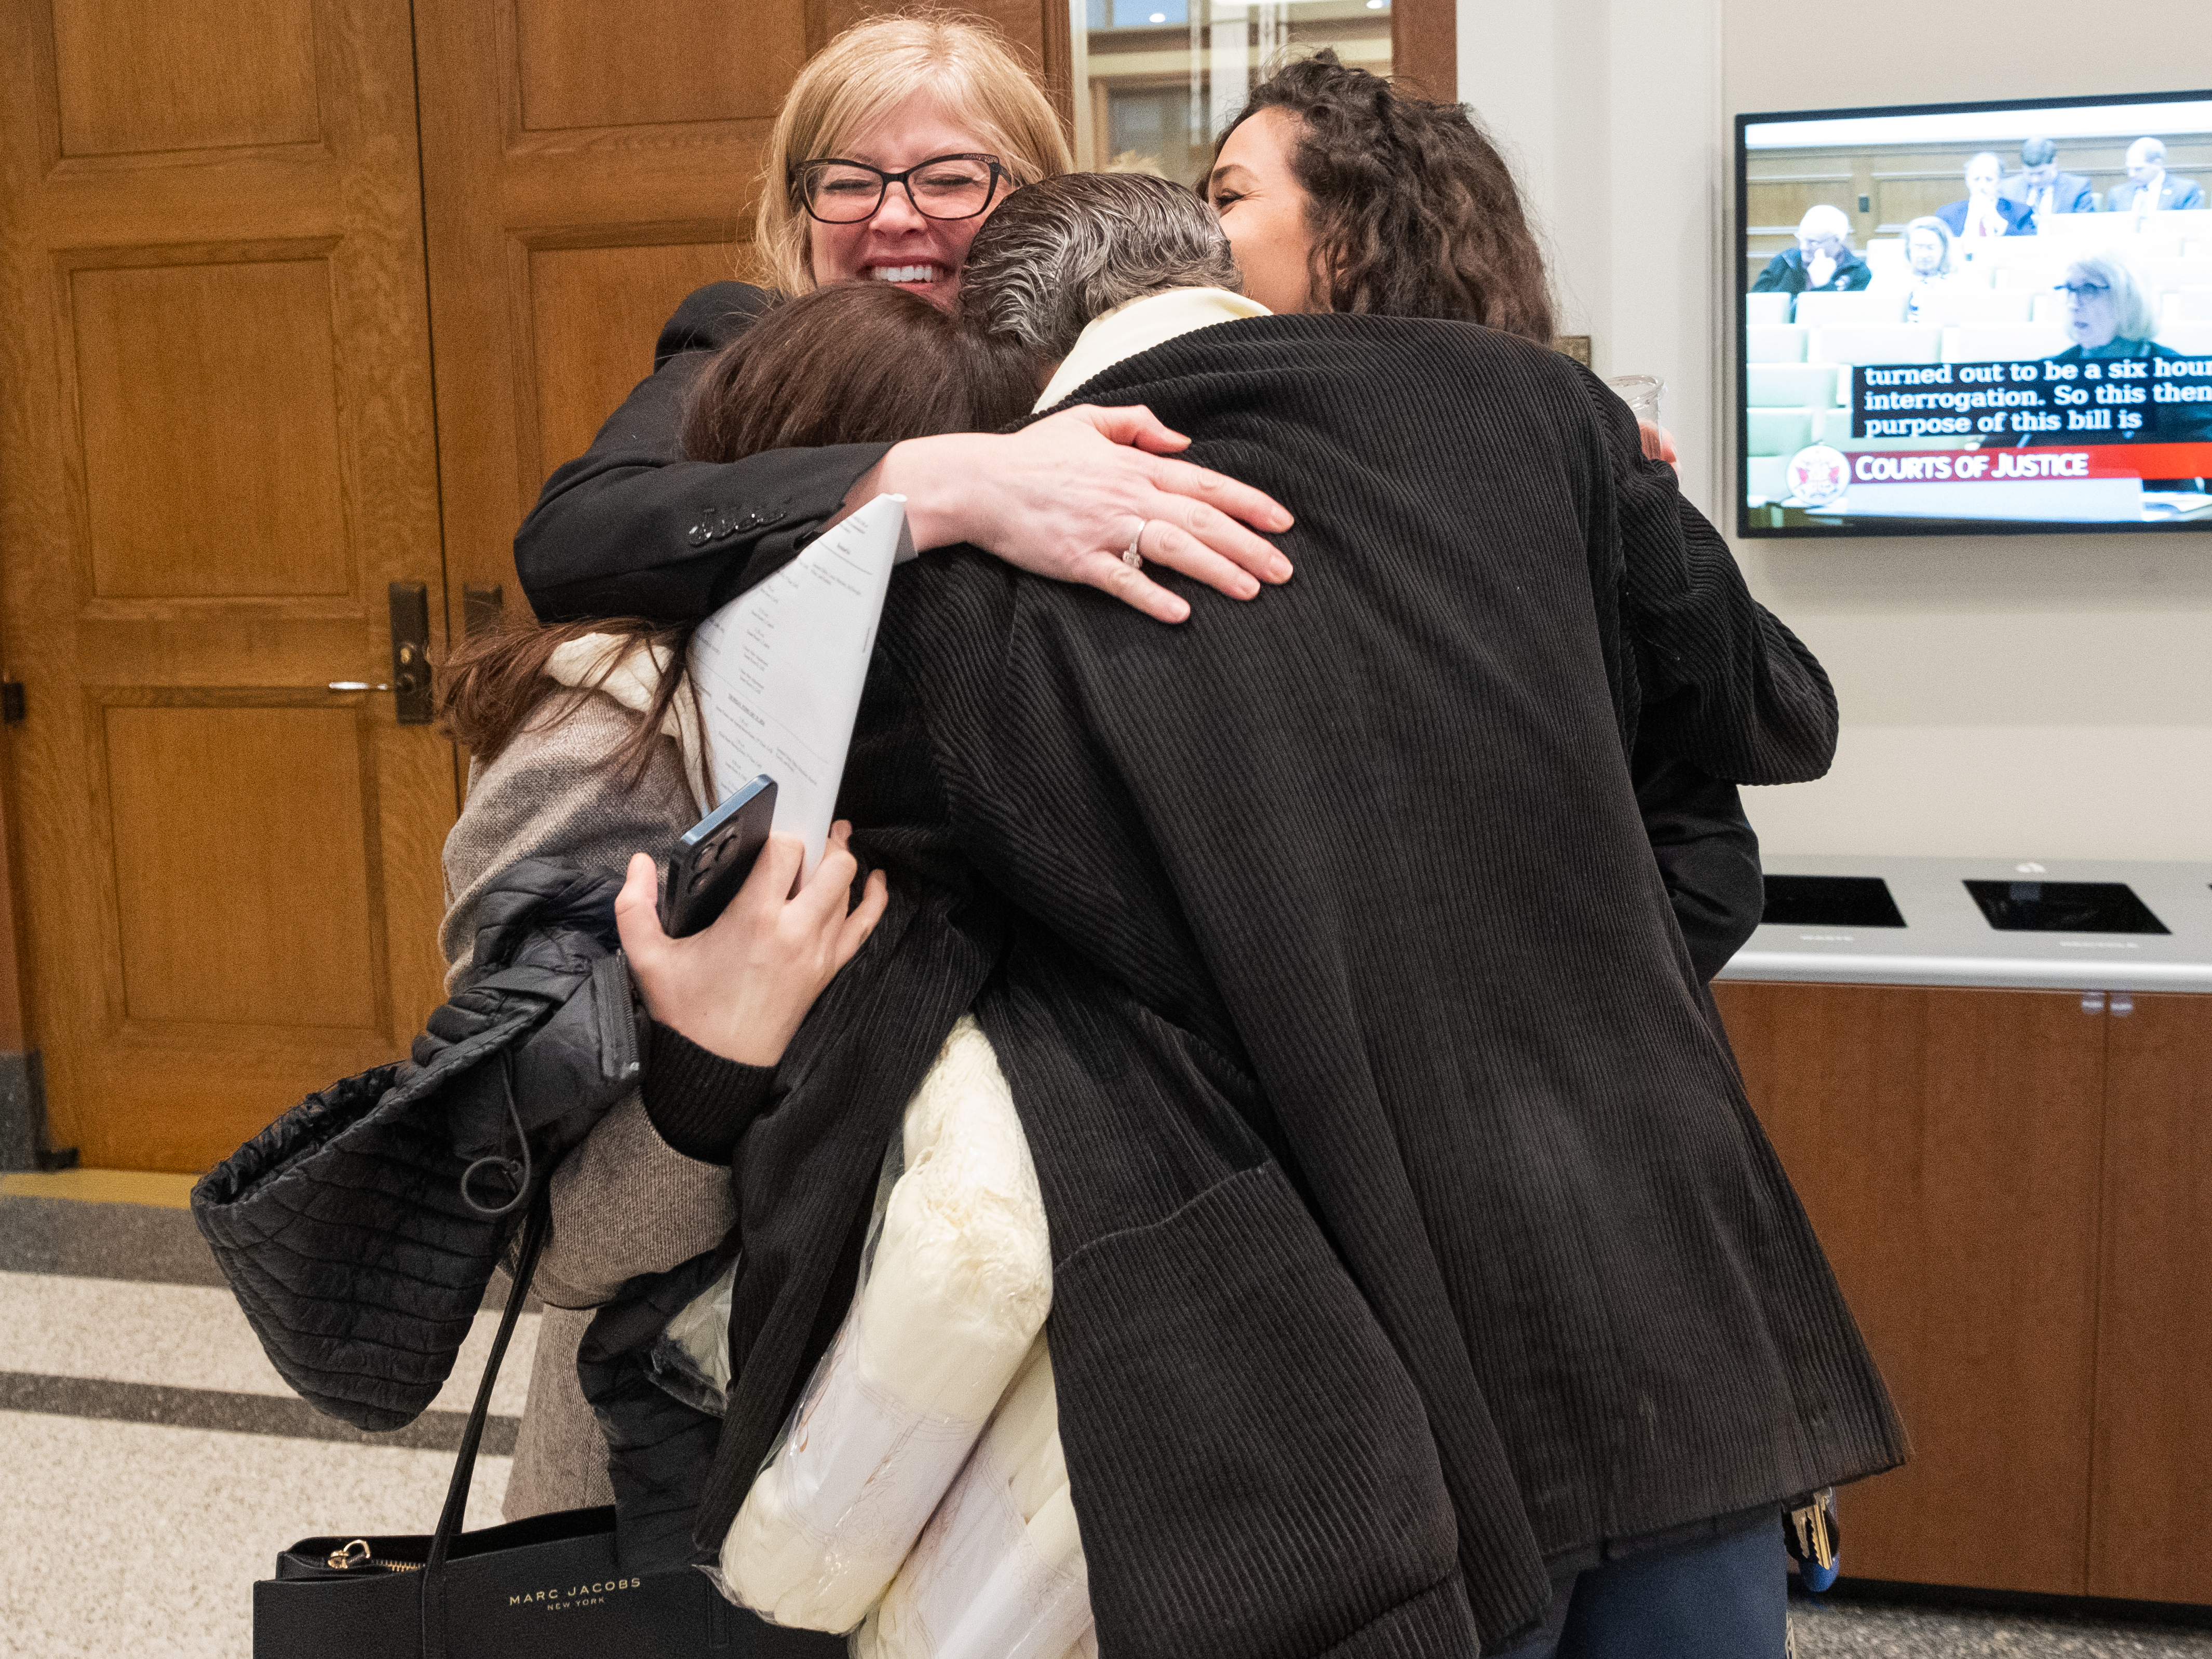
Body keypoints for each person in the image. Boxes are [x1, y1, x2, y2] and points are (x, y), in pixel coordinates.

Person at [433, 280, 1034, 1538]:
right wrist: (713, 1055)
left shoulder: (949, 716)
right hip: (662, 1471)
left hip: (893, 1456)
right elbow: (543, 1243)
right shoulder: (613, 739)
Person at [514, 12, 1294, 634]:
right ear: (799, 211)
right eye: (850, 182)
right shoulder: (740, 336)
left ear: (1039, 197)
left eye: (950, 179)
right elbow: (574, 542)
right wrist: (944, 481)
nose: (893, 217)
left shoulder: (1105, 350)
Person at [1750, 204, 1872, 295]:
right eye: (1801, 238)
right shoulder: (1786, 261)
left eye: (1813, 242)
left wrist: (1823, 284)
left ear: (1837, 240)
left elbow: (1846, 319)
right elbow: (1755, 304)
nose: (1803, 247)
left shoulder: (1857, 271)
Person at [1936, 151, 2036, 240]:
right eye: (1976, 179)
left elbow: (2031, 245)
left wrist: (1998, 222)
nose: (1982, 185)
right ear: (1967, 181)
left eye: (1989, 179)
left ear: (2000, 182)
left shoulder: (2021, 212)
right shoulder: (1947, 214)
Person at [2003, 137, 2098, 220]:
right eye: (2030, 174)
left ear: (2054, 163)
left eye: (2041, 173)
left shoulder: (2078, 188)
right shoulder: (2008, 188)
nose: (2035, 180)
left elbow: (2085, 226)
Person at [2107, 137, 2206, 214]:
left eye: (2138, 169)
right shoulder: (2117, 194)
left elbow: (2192, 228)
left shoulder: (2185, 190)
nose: (2132, 174)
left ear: (2157, 164)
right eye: (2129, 169)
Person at [1892, 214, 1959, 324]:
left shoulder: (1961, 280)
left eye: (1931, 248)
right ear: (1908, 248)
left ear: (1944, 249)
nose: (1924, 255)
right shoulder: (1887, 279)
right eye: (1918, 247)